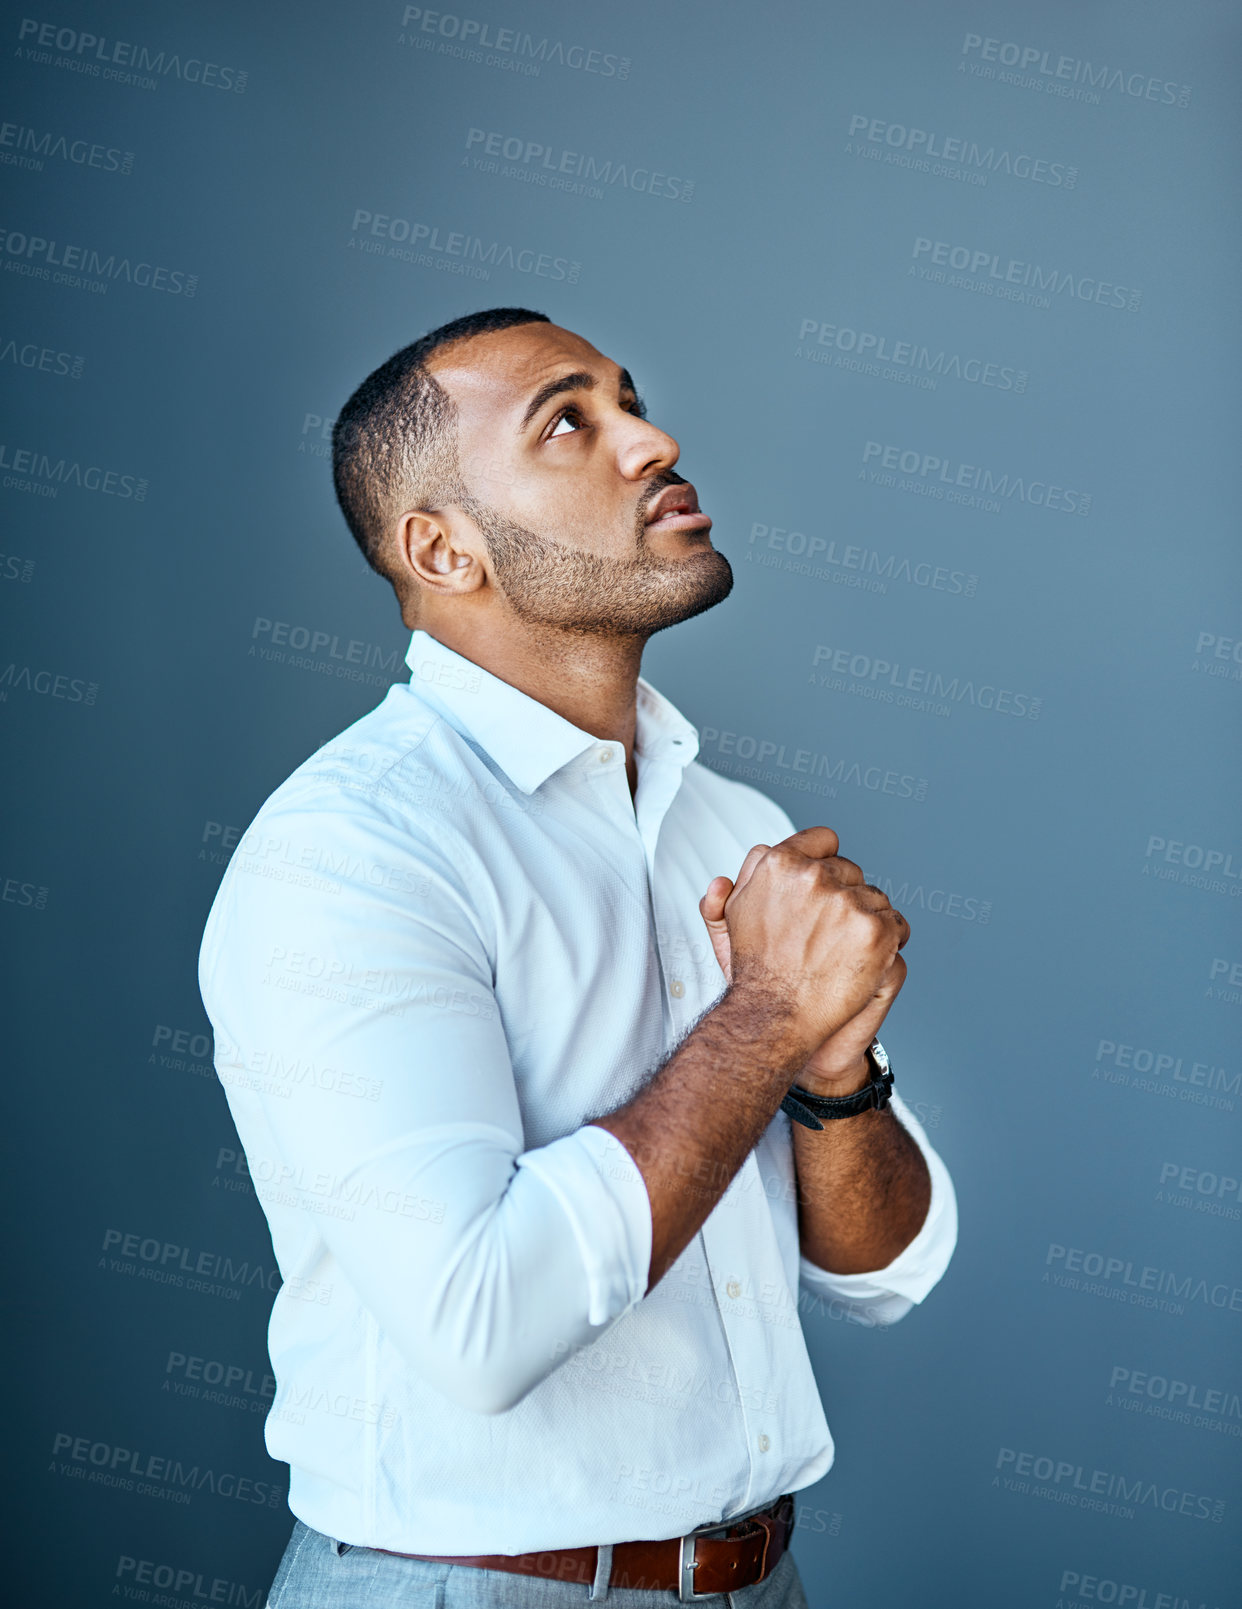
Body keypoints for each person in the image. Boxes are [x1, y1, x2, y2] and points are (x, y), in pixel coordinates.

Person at [197, 307, 957, 1609]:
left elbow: (888, 1270)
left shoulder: (734, 828)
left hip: (762, 1583)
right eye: (570, 421)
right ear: (442, 547)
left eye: (630, 399)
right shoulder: (352, 854)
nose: (652, 440)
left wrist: (831, 1075)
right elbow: (479, 1321)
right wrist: (769, 1013)